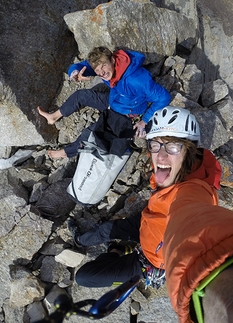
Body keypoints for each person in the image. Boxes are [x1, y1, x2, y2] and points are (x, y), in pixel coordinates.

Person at [69, 106, 223, 289]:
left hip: (150, 260)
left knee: (85, 277)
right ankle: (82, 240)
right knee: (105, 230)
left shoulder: (194, 193)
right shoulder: (182, 168)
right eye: (156, 144)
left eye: (173, 146)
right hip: (150, 222)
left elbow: (194, 212)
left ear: (189, 150)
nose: (161, 156)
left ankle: (116, 251)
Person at [37, 46, 171, 159]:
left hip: (126, 112)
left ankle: (65, 153)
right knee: (81, 95)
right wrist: (75, 73)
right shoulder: (109, 67)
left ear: (113, 60)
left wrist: (144, 121)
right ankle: (53, 117)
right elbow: (80, 66)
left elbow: (163, 97)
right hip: (114, 100)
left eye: (104, 66)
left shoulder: (136, 80)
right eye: (97, 70)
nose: (101, 72)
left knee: (90, 133)